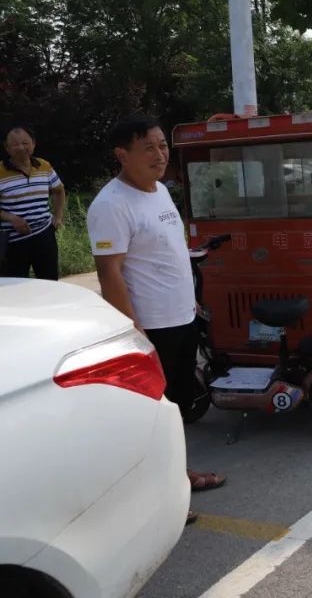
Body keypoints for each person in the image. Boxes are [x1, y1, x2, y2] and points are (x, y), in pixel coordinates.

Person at [87, 115, 226, 525]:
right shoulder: (111, 205)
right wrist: (132, 329)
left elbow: (168, 254)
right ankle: (157, 499)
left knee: (176, 409)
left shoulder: (161, 192)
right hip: (150, 328)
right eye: (148, 147)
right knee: (148, 418)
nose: (160, 154)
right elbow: (109, 272)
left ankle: (177, 478)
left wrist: (192, 304)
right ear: (122, 155)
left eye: (162, 145)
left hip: (181, 319)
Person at [1, 125, 65, 279]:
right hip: (13, 240)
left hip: (44, 235)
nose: (21, 147)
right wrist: (12, 218)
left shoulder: (44, 166)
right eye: (15, 144)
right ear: (7, 148)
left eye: (25, 143)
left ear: (33, 144)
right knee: (14, 288)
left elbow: (59, 191)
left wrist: (58, 216)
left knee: (49, 283)